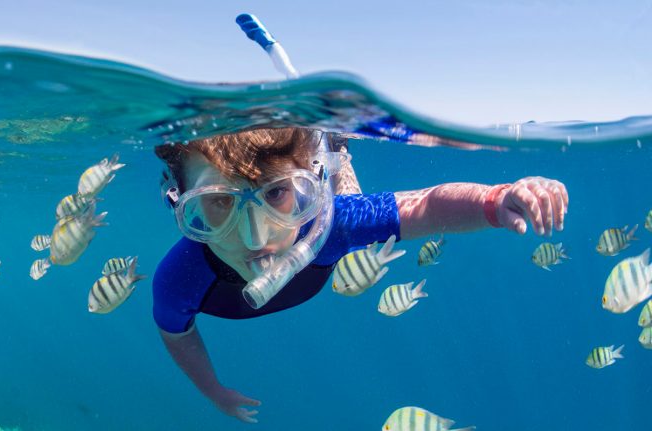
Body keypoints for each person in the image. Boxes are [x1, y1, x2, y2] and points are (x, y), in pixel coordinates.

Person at [152, 127, 568, 423]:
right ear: (179, 203)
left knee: (351, 202)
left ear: (304, 185)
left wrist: (496, 198)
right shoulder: (179, 278)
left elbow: (427, 206)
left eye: (277, 191)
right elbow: (177, 334)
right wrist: (212, 389)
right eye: (219, 201)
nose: (254, 236)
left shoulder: (330, 225)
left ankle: (335, 150)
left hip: (330, 207)